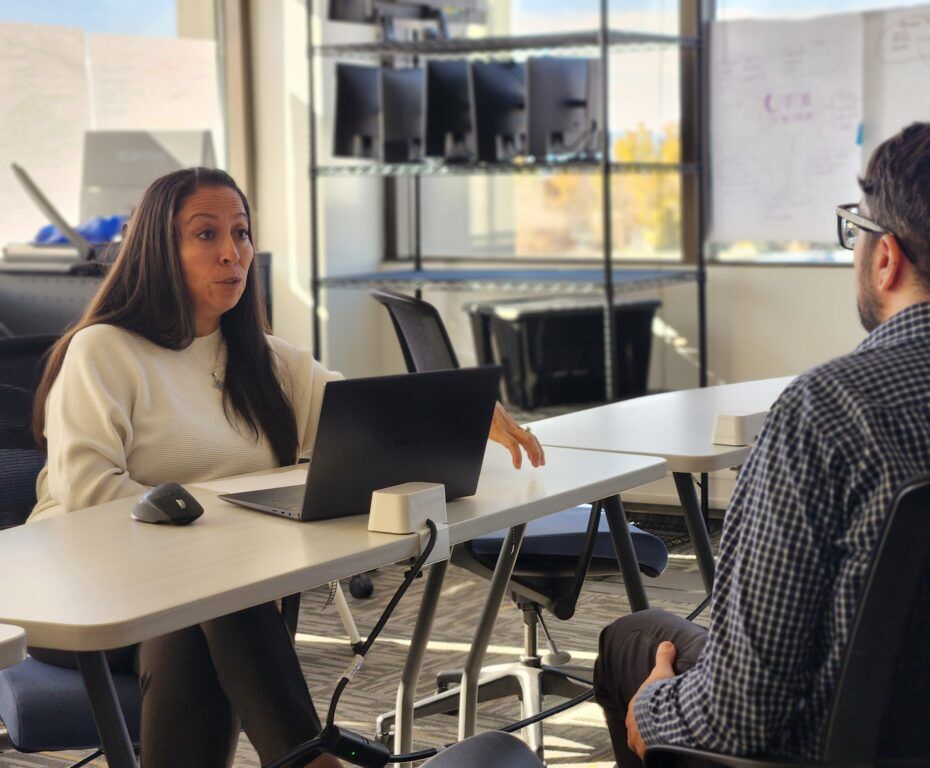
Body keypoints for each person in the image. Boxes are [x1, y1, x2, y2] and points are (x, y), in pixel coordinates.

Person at [27, 167, 545, 768]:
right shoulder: (105, 349)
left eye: (242, 233)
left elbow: (367, 425)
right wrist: (220, 529)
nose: (232, 253)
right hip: (79, 594)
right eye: (206, 234)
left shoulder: (269, 360)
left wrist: (456, 413)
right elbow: (89, 493)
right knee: (218, 592)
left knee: (204, 612)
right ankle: (313, 760)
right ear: (158, 250)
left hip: (195, 597)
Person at [592, 118, 930, 766]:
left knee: (633, 639)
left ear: (886, 258)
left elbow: (739, 714)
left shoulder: (828, 411)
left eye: (857, 231)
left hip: (837, 748)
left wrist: (652, 706)